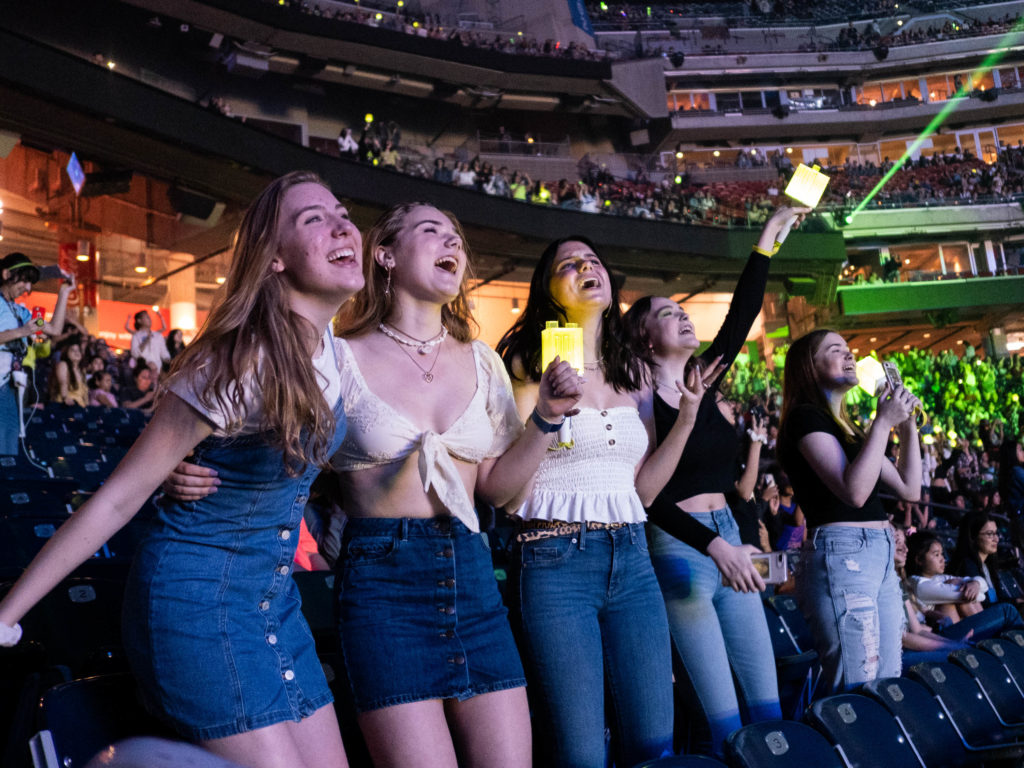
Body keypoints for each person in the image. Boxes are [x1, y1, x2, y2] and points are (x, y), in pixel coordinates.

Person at [167, 201, 582, 768]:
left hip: (472, 573)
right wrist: (179, 465)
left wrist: (549, 417)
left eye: (456, 235)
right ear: (384, 254)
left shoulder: (483, 362)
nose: (452, 243)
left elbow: (496, 489)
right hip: (383, 582)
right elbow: (237, 421)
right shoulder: (336, 356)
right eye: (433, 231)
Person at [0, 170, 365, 768]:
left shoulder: (336, 353)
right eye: (313, 219)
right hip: (197, 605)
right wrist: (7, 616)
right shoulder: (240, 359)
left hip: (274, 603)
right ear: (273, 259)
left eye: (341, 210)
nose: (341, 222)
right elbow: (119, 499)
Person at [496, 236, 714, 768]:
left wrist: (685, 419)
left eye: (593, 260)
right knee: (582, 752)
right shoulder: (528, 363)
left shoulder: (633, 372)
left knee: (652, 745)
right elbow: (506, 493)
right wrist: (547, 412)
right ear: (548, 288)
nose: (585, 267)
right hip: (554, 561)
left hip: (633, 559)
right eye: (568, 264)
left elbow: (639, 493)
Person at [620, 206, 807, 756]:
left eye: (683, 310)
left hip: (729, 537)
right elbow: (645, 499)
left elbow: (742, 316)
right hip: (681, 550)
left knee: (767, 708)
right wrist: (716, 545)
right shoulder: (635, 399)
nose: (681, 317)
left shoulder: (702, 379)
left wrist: (767, 240)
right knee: (725, 723)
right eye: (665, 313)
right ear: (642, 339)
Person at [779, 328, 922, 692]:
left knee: (887, 684)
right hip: (844, 554)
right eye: (835, 350)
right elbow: (854, 492)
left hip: (878, 553)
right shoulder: (804, 419)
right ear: (809, 367)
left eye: (849, 349)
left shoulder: (851, 428)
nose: (849, 356)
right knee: (858, 686)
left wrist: (907, 428)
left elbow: (910, 487)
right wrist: (883, 423)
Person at [0, 252, 76, 454]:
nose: (28, 288)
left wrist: (64, 294)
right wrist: (22, 331)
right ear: (6, 274)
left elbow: (54, 329)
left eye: (30, 283)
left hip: (8, 385)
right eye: (24, 280)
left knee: (8, 444)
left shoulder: (21, 311)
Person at [48, 337, 88, 407]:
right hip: (66, 405)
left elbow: (85, 395)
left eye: (78, 350)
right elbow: (63, 383)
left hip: (80, 408)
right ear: (66, 353)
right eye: (72, 350)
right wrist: (65, 398)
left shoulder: (82, 370)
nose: (76, 352)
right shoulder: (63, 364)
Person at [127, 309, 170, 373]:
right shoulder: (136, 336)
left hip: (157, 371)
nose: (149, 319)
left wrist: (168, 359)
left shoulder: (157, 335)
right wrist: (146, 340)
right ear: (139, 321)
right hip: (143, 371)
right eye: (147, 317)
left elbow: (163, 351)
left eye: (149, 317)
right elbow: (135, 353)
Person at [998, 437, 1024, 516]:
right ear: (1012, 453)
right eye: (1020, 449)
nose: (1023, 452)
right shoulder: (1016, 471)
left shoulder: (1008, 472)